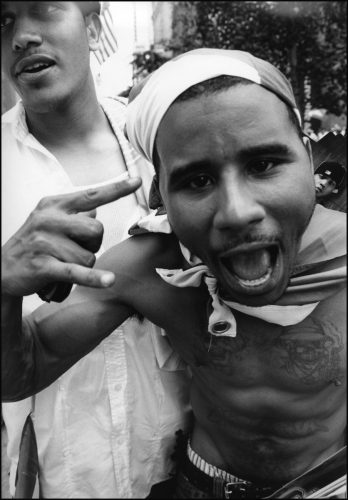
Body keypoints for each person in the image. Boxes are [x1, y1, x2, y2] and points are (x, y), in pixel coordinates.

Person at [2, 48, 346, 499]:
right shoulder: (149, 268)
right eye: (197, 181)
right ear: (158, 194)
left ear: (307, 158)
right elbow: (19, 372)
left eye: (262, 164)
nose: (237, 212)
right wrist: (5, 288)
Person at [1, 2, 191, 498]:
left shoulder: (169, 143)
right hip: (44, 477)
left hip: (176, 469)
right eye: (1, 22)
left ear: (91, 22)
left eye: (42, 9)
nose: (22, 36)